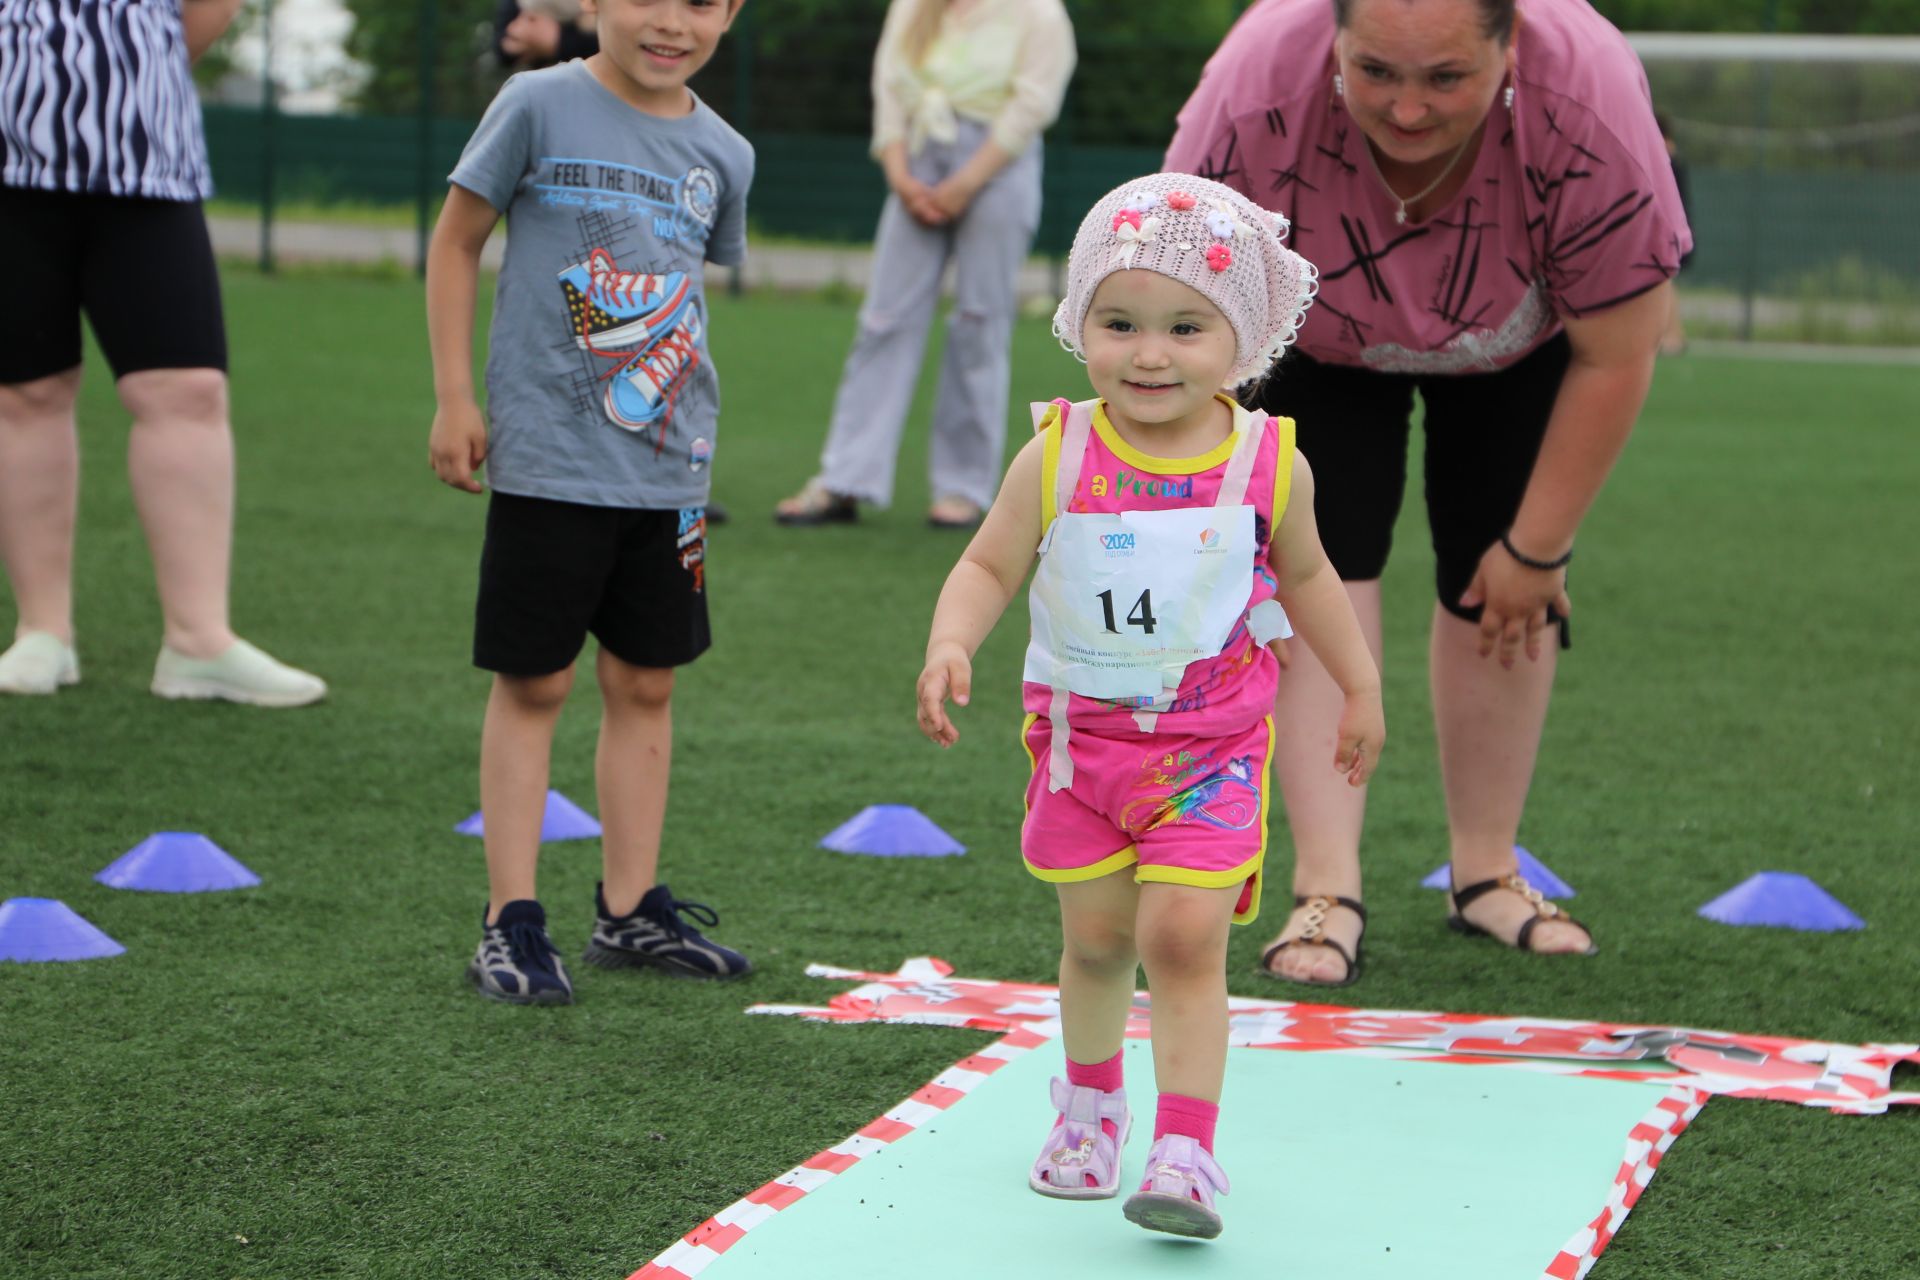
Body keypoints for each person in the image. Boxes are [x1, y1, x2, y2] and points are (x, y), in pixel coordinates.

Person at [1165, 0, 1689, 984]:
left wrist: (1537, 550)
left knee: (1499, 582)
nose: (1407, 110)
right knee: (1317, 569)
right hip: (1312, 341)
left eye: (1446, 78)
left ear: (1510, 44)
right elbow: (1183, 299)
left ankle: (1487, 868)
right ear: (1333, 39)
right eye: (1375, 73)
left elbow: (1618, 352)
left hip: (1519, 343)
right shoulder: (1252, 88)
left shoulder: (1590, 98)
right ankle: (1326, 887)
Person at [916, 174, 1383, 1238]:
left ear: (1246, 340)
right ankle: (1088, 1105)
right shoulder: (1061, 448)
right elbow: (988, 565)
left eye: (1187, 325)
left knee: (1180, 937)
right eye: (1119, 322)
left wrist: (1359, 684)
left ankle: (1187, 1144)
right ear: (1082, 323)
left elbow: (1311, 580)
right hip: (1083, 754)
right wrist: (952, 639)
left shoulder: (1270, 462)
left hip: (1213, 753)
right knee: (1094, 940)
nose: (1151, 352)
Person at [426, 0, 755, 1005]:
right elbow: (454, 243)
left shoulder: (725, 151)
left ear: (731, 11)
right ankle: (510, 919)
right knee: (536, 684)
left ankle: (629, 908)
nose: (672, 22)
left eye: (702, 1)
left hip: (671, 477)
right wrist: (454, 396)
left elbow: (682, 298)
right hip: (547, 465)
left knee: (648, 681)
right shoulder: (535, 104)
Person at [0, 0, 327, 706]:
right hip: (9, 168)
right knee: (25, 393)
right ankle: (41, 632)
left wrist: (123, 71)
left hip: (148, 161)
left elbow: (209, 9)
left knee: (188, 390)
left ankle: (198, 640)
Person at [774, 0, 1075, 530]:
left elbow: (1032, 105)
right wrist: (899, 174)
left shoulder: (1040, 13)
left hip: (997, 166)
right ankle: (844, 479)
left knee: (980, 322)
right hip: (915, 158)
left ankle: (962, 488)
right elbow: (889, 86)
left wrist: (964, 183)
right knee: (883, 321)